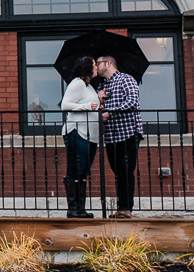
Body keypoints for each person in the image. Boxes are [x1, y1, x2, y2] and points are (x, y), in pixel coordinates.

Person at [96, 55, 143, 219]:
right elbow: (99, 109)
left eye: (98, 63)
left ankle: (125, 208)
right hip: (110, 135)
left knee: (126, 170)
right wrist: (99, 101)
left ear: (108, 63)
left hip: (128, 132)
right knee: (117, 171)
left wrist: (111, 111)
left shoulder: (126, 79)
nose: (96, 66)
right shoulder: (102, 85)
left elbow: (131, 101)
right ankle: (121, 208)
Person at [60, 55, 100, 218]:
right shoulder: (77, 84)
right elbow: (65, 105)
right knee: (76, 170)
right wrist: (86, 106)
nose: (97, 67)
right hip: (77, 132)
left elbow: (91, 106)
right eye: (94, 65)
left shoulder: (89, 86)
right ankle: (74, 209)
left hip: (90, 135)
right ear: (87, 68)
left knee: (83, 171)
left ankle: (80, 209)